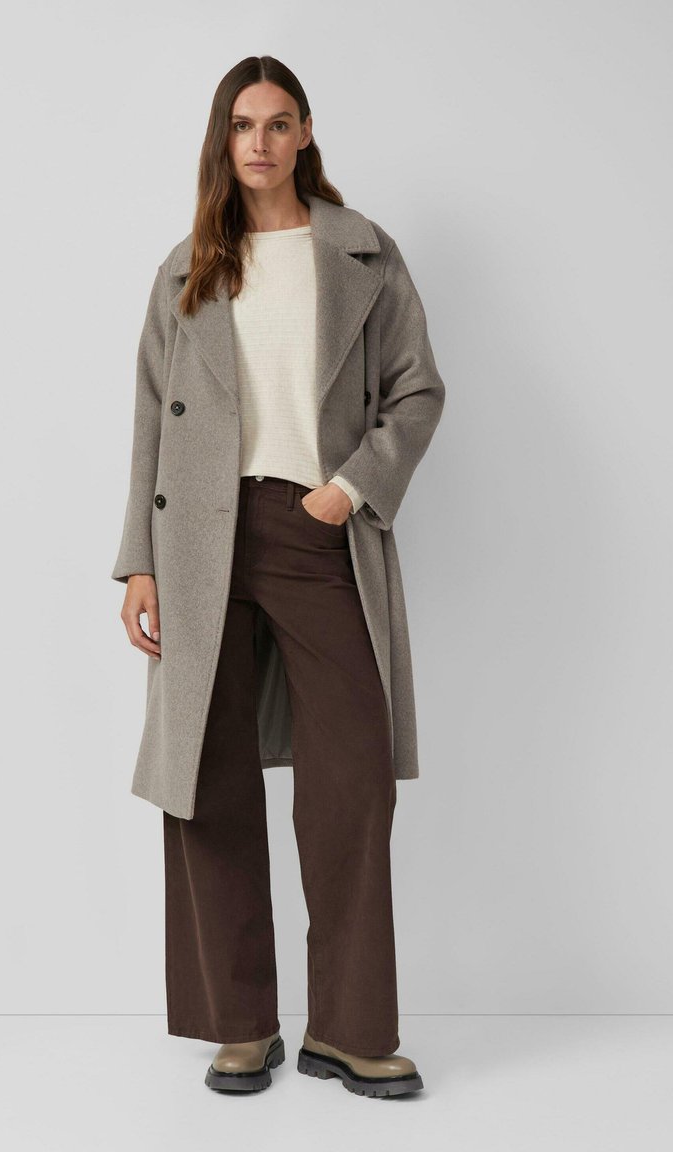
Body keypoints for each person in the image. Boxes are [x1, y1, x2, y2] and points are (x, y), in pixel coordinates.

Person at [111, 55, 446, 1098]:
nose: (258, 141)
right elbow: (148, 422)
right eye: (241, 124)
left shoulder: (360, 252)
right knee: (206, 781)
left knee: (350, 781)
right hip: (197, 541)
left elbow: (417, 391)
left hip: (315, 530)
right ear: (223, 139)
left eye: (278, 122)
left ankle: (350, 1029)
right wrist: (137, 563)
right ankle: (239, 1024)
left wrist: (349, 489)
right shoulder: (187, 269)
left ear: (305, 135)